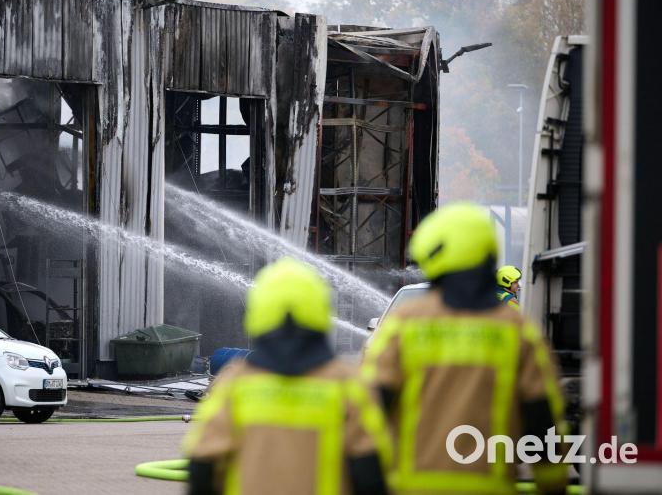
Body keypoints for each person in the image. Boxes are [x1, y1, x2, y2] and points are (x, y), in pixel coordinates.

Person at [361, 203, 567, 495]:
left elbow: (370, 413)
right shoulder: (517, 332)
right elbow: (541, 420)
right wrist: (552, 484)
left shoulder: (404, 327)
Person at [184, 258, 391, 495]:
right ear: (321, 310)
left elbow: (202, 468)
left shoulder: (235, 384)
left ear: (259, 311)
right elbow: (370, 474)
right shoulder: (348, 386)